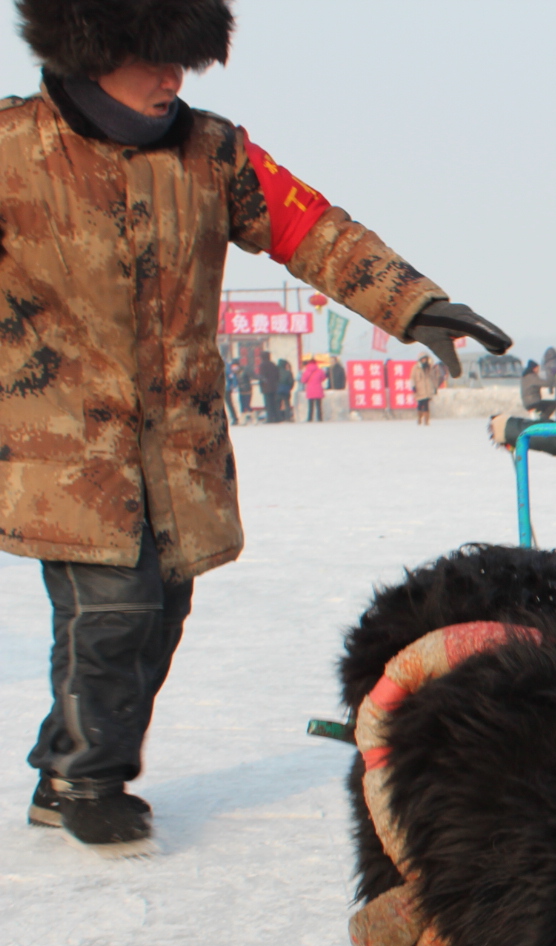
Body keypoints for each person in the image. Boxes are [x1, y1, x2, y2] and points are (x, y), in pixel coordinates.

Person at [2, 0, 511, 849]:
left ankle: (73, 757)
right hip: (64, 448)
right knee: (113, 610)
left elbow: (315, 232)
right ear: (93, 51)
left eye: (183, 60)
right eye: (152, 57)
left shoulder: (213, 153)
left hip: (179, 445)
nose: (173, 78)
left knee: (161, 609)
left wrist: (414, 303)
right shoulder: (17, 149)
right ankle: (85, 777)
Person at [411, 353, 437, 424]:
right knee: (420, 404)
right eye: (422, 359)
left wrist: (435, 387)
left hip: (428, 389)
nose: (424, 360)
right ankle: (419, 418)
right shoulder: (416, 368)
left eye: (425, 359)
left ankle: (426, 420)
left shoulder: (430, 367)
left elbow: (433, 378)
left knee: (426, 405)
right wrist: (413, 386)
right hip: (419, 389)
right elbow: (412, 378)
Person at [300, 356, 327, 421]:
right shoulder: (320, 371)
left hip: (310, 390)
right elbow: (323, 378)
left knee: (310, 406)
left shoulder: (306, 371)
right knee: (318, 406)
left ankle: (310, 418)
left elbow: (303, 380)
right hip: (318, 390)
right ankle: (320, 418)